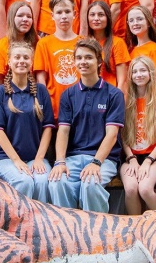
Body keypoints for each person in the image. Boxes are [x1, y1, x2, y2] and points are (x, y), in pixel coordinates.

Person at [48, 38, 125, 213]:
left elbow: (112, 134)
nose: (83, 62)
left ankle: (96, 227)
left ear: (99, 62)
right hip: (74, 158)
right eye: (79, 58)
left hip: (104, 159)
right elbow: (63, 131)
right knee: (57, 182)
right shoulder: (68, 95)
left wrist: (96, 162)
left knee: (91, 183)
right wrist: (60, 162)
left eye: (88, 57)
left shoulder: (114, 94)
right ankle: (69, 226)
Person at [0, 42, 55, 202]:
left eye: (26, 57)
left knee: (42, 181)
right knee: (24, 181)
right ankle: (19, 218)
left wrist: (39, 158)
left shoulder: (41, 90)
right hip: (6, 158)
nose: (21, 61)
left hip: (34, 157)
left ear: (31, 62)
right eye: (17, 57)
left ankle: (40, 218)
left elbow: (48, 128)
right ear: (9, 62)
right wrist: (16, 161)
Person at [120, 56, 156, 215]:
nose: (139, 75)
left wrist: (148, 161)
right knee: (131, 189)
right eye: (135, 71)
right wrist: (131, 158)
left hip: (154, 156)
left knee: (145, 189)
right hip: (130, 156)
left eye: (143, 70)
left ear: (150, 73)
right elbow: (122, 135)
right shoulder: (125, 100)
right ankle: (136, 226)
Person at [34, 0, 82, 117]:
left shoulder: (83, 43)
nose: (64, 16)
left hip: (81, 108)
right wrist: (45, 106)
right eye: (59, 12)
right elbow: (41, 80)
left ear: (74, 14)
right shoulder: (43, 44)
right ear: (52, 16)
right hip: (54, 108)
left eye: (67, 11)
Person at [0, 0, 40, 91]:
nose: (25, 19)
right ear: (11, 18)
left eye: (29, 16)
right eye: (20, 15)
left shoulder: (39, 44)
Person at [86, 0, 130, 91]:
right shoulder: (83, 43)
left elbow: (122, 81)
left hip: (109, 95)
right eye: (92, 15)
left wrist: (118, 98)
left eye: (101, 15)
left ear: (108, 18)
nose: (96, 18)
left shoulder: (117, 43)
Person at [124, 5, 156, 83]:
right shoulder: (131, 49)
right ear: (128, 24)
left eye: (139, 19)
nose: (135, 23)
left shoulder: (154, 50)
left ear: (148, 22)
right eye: (131, 20)